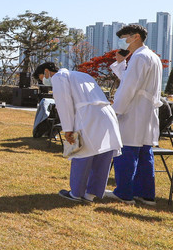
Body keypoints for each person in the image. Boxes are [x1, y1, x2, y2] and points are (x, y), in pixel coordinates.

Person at [33, 62, 121, 202]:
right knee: (102, 154)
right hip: (106, 115)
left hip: (88, 116)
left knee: (81, 153)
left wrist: (67, 129)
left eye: (41, 77)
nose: (43, 80)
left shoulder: (59, 77)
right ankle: (90, 194)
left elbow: (64, 103)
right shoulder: (81, 75)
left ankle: (76, 193)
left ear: (47, 71)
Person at [104, 23, 163, 206]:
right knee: (145, 152)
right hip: (147, 111)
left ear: (136, 36)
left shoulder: (139, 57)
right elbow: (132, 80)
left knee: (126, 150)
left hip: (135, 109)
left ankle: (124, 193)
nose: (125, 42)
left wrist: (116, 110)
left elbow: (129, 87)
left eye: (126, 38)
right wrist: (122, 64)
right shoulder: (151, 56)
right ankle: (145, 194)